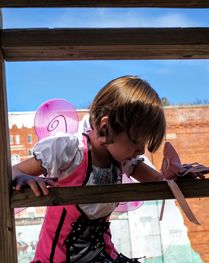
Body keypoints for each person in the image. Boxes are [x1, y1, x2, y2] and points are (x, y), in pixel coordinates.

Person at [12, 75, 178, 263]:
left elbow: (160, 182)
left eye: (144, 143)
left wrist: (178, 174)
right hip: (58, 259)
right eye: (135, 140)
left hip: (103, 256)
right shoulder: (70, 150)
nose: (141, 150)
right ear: (105, 127)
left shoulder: (123, 159)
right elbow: (13, 171)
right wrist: (22, 178)